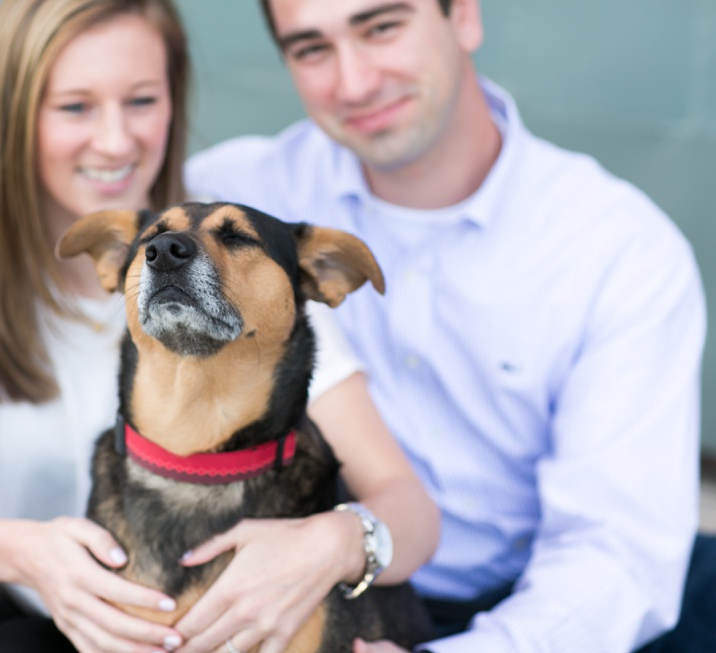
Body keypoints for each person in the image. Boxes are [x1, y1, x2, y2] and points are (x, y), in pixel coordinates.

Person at [0, 1, 439, 652]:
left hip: (120, 620)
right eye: (75, 106)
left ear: (175, 99)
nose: (116, 140)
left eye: (141, 100)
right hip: (3, 580)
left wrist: (338, 540)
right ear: (17, 113)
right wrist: (24, 550)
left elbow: (405, 503)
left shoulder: (240, 247)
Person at [185, 0, 714, 652]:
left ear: (463, 15)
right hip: (323, 582)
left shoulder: (617, 250)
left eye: (382, 27)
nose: (353, 83)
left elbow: (616, 556)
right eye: (311, 49)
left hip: (542, 603)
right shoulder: (232, 202)